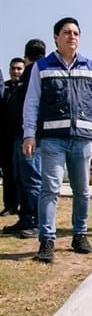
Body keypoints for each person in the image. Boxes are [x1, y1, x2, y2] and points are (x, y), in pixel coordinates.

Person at [23, 17, 92, 263]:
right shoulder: (42, 66)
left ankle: (79, 235)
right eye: (66, 32)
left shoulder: (90, 66)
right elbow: (32, 103)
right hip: (52, 140)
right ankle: (46, 240)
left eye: (75, 33)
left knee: (82, 191)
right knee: (50, 190)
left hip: (82, 140)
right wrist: (29, 134)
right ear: (56, 38)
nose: (72, 36)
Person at [2, 41, 46, 238]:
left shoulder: (34, 73)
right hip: (19, 136)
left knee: (32, 179)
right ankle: (26, 218)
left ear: (26, 56)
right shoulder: (29, 74)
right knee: (22, 179)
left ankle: (36, 221)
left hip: (30, 137)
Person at [0, 58, 25, 217]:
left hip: (21, 137)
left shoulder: (26, 88)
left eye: (19, 69)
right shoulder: (5, 87)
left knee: (22, 174)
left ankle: (25, 206)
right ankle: (10, 205)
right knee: (8, 173)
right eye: (13, 68)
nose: (16, 71)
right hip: (5, 137)